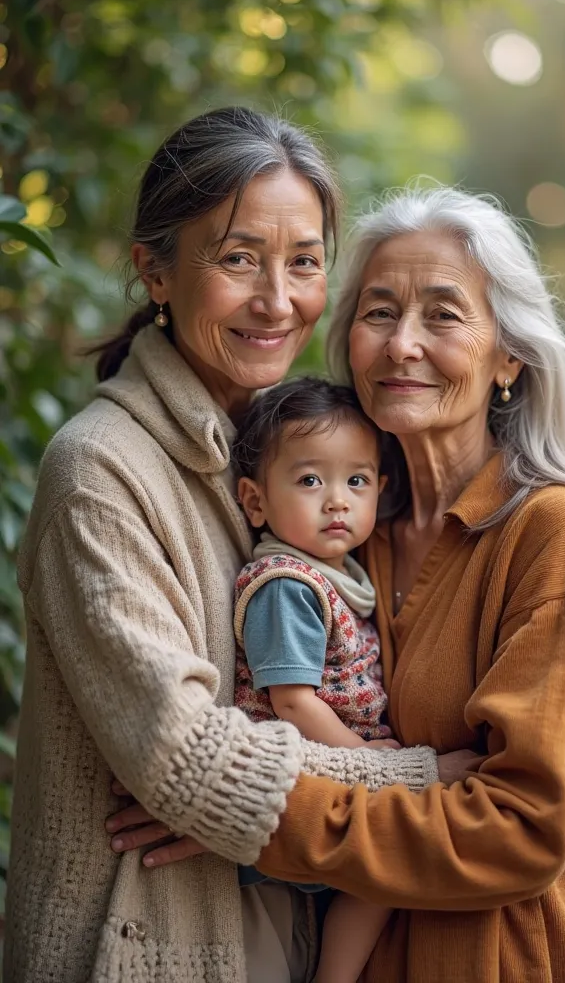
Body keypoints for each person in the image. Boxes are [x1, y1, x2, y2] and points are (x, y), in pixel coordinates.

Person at [117, 186, 565, 983]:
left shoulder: (549, 532)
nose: (402, 345)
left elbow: (523, 828)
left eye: (443, 314)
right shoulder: (353, 536)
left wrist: (267, 817)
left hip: (511, 960)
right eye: (377, 312)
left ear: (510, 356)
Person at [4, 109, 451, 983]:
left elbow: (230, 769)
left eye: (305, 262)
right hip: (137, 942)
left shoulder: (310, 460)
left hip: (281, 923)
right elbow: (189, 762)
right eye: (238, 258)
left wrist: (259, 801)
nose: (278, 301)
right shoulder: (99, 472)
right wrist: (423, 777)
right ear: (155, 271)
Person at [231, 377, 397, 983]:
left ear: (379, 489)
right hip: (293, 783)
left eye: (356, 481)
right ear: (255, 501)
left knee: (382, 877)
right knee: (388, 867)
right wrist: (371, 765)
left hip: (329, 775)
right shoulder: (287, 586)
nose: (336, 501)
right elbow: (294, 702)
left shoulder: (339, 574)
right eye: (309, 480)